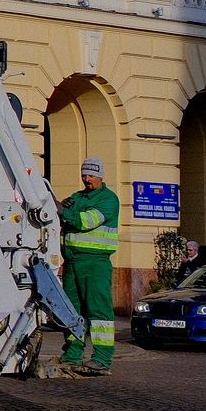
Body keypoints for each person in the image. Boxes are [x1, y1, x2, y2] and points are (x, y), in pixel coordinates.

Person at [56, 158, 120, 377]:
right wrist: (61, 209)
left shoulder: (108, 199)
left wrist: (63, 211)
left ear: (100, 176)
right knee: (72, 311)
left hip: (95, 263)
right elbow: (64, 215)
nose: (86, 179)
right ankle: (73, 353)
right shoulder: (78, 197)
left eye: (91, 175)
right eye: (84, 175)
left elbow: (86, 221)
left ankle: (102, 358)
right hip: (72, 262)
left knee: (98, 311)